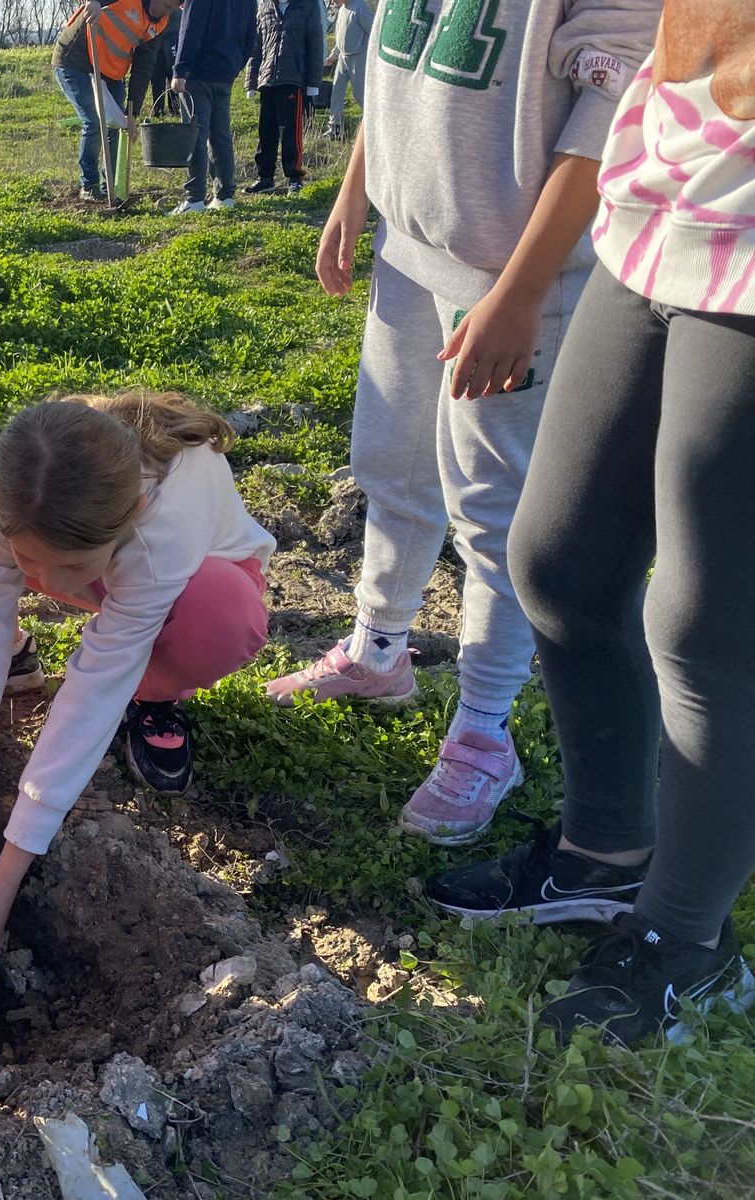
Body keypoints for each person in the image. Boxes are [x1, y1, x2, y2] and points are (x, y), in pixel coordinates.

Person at [428, 2, 755, 1047]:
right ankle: (606, 853)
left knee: (705, 625)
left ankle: (686, 942)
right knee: (560, 562)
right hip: (658, 188)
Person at [265, 0, 659, 845]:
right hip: (410, 242)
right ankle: (378, 651)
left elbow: (612, 108)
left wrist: (521, 291)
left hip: (509, 271)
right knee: (392, 459)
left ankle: (484, 728)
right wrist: (358, 186)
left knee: (495, 504)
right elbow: (397, 60)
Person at [0, 393, 274, 990]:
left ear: (133, 509)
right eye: (27, 560)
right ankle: (18, 654)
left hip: (191, 586)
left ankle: (154, 696)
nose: (44, 584)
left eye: (63, 567)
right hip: (95, 555)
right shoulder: (0, 506)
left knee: (221, 613)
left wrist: (8, 873)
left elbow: (93, 690)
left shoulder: (160, 535)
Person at [53, 0, 185, 202]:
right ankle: (89, 184)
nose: (167, 13)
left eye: (172, 9)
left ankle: (110, 188)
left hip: (111, 71)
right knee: (94, 121)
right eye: (167, 6)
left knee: (116, 125)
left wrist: (132, 112)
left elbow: (143, 68)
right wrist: (94, 2)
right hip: (75, 61)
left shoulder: (159, 25)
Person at [168, 0, 256, 215]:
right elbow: (251, 33)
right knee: (220, 135)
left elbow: (191, 28)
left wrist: (180, 69)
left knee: (195, 135)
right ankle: (224, 196)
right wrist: (235, 65)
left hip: (198, 72)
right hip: (225, 71)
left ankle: (194, 198)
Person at [242, 0, 324, 194]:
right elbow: (257, 45)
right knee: (266, 130)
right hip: (267, 79)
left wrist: (313, 82)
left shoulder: (308, 5)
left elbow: (315, 43)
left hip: (293, 78)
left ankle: (294, 177)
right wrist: (251, 81)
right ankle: (265, 177)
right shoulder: (265, 6)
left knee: (291, 131)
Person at [321, 0, 371, 138]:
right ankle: (335, 130)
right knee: (336, 92)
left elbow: (373, 31)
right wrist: (334, 55)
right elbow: (340, 36)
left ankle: (374, 122)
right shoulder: (342, 9)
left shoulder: (360, 7)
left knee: (359, 94)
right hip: (343, 58)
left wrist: (368, 53)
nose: (333, 1)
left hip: (358, 57)